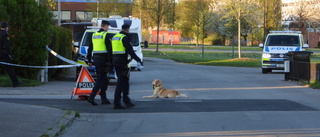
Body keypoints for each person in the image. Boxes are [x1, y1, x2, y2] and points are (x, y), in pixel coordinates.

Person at [112, 24, 143, 109]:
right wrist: (138, 60)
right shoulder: (124, 38)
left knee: (125, 81)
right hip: (122, 62)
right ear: (127, 30)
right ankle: (117, 103)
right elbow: (130, 51)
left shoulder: (115, 37)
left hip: (116, 60)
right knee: (121, 82)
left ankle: (126, 100)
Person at [86, 20, 112, 106]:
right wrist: (110, 61)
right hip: (103, 59)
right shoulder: (105, 35)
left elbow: (90, 48)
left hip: (96, 59)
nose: (108, 28)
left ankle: (103, 98)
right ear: (105, 26)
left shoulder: (94, 35)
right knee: (101, 79)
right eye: (108, 27)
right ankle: (91, 97)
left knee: (104, 79)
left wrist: (89, 60)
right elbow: (109, 50)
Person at [0, 21, 20, 87]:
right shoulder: (5, 35)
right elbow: (6, 46)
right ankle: (15, 83)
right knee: (10, 69)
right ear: (6, 28)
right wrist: (10, 55)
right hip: (4, 54)